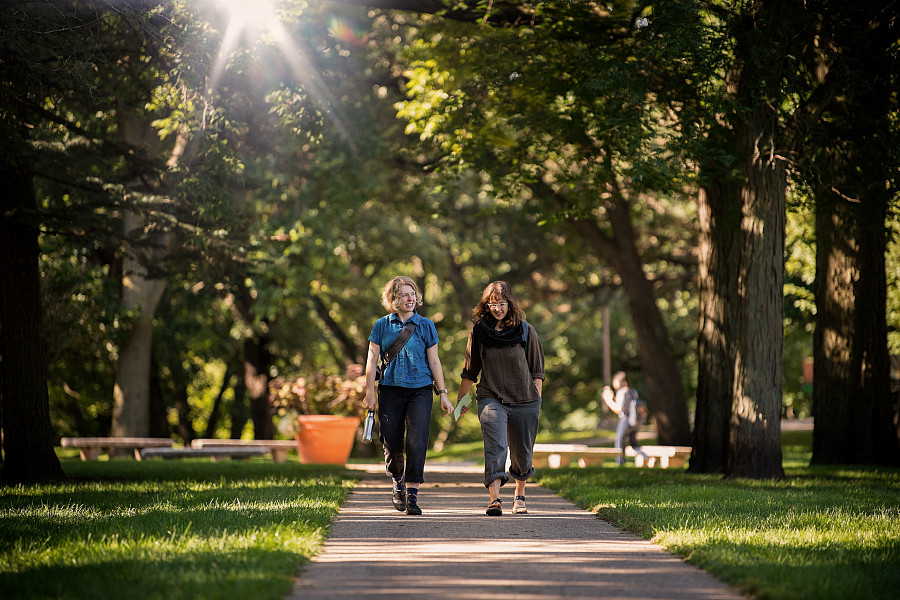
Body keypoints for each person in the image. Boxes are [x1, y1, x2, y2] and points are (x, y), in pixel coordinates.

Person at [364, 276, 453, 515]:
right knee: (391, 443)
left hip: (420, 390)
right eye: (404, 294)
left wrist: (443, 393)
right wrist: (369, 393)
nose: (410, 298)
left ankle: (412, 494)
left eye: (412, 294)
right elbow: (372, 360)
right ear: (393, 299)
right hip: (390, 389)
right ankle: (397, 482)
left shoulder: (426, 325)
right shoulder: (381, 325)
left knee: (417, 440)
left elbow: (434, 360)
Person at [457, 281, 544, 516]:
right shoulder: (479, 332)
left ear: (510, 304)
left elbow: (537, 372)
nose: (498, 308)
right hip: (491, 396)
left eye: (502, 303)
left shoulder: (526, 331)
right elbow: (470, 371)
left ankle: (520, 495)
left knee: (522, 453)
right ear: (486, 306)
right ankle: (495, 500)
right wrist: (461, 401)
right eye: (493, 304)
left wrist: (537, 401)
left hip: (525, 399)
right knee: (495, 445)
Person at [602, 371, 648, 466]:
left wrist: (608, 400)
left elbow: (619, 409)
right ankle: (646, 457)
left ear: (619, 381)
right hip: (634, 420)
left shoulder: (622, 392)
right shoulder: (632, 391)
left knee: (619, 442)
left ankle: (620, 464)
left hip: (625, 420)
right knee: (633, 443)